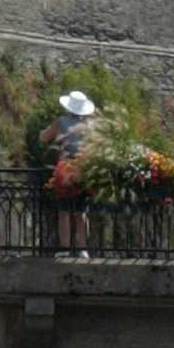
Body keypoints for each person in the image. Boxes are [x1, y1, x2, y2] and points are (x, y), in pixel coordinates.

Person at [46, 85, 99, 256]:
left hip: (66, 169)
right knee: (81, 212)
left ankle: (65, 248)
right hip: (84, 169)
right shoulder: (91, 124)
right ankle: (83, 249)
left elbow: (44, 137)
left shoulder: (61, 121)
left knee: (64, 211)